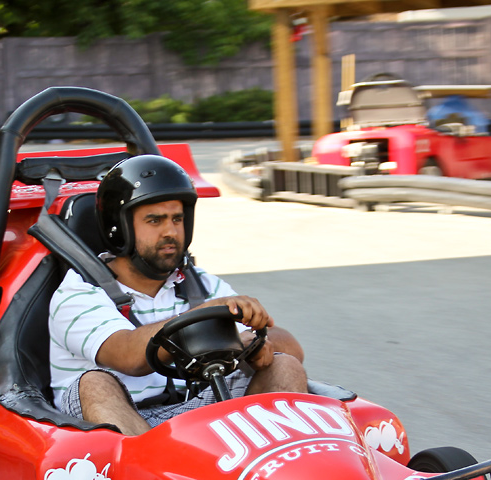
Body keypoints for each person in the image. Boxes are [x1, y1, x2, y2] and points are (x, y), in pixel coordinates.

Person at [49, 155, 306, 435]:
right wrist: (202, 319)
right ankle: (148, 475)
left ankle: (274, 474)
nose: (171, 231)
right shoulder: (79, 292)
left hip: (188, 412)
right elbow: (128, 356)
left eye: (177, 219)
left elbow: (292, 347)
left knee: (284, 365)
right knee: (94, 384)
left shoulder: (198, 284)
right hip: (109, 425)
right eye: (155, 220)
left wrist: (251, 344)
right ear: (119, 229)